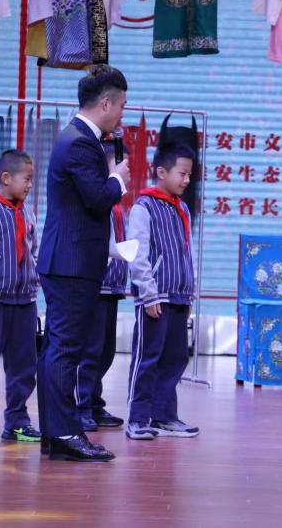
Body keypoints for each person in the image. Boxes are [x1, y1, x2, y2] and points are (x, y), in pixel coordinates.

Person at [37, 65, 130, 462]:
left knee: (59, 348)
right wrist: (118, 178)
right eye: (121, 105)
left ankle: (57, 433)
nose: (122, 114)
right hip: (71, 264)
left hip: (69, 262)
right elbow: (97, 197)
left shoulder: (77, 138)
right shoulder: (79, 143)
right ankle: (63, 434)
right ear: (105, 103)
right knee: (65, 349)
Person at [125, 143, 198, 440]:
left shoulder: (182, 208)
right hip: (155, 297)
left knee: (175, 358)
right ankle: (137, 418)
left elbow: (187, 252)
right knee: (148, 357)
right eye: (182, 173)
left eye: (190, 174)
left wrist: (190, 290)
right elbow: (138, 253)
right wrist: (148, 292)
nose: (187, 180)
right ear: (162, 172)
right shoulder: (144, 207)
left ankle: (164, 416)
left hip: (179, 295)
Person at [0, 149, 43, 442]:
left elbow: (33, 248)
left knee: (24, 366)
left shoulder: (27, 211)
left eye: (31, 179)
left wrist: (35, 275)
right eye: (26, 179)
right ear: (5, 178)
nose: (30, 185)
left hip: (25, 301)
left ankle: (16, 421)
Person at [86, 200, 128, 432]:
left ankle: (94, 403)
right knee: (90, 351)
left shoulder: (118, 207)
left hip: (113, 287)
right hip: (96, 286)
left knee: (106, 352)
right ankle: (81, 407)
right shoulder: (97, 202)